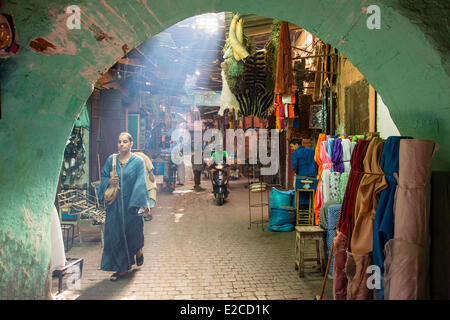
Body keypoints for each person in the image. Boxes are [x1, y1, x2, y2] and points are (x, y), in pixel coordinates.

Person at [97, 132, 149, 281]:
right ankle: (121, 268)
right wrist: (108, 182)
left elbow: (141, 183)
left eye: (125, 141)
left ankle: (138, 250)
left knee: (133, 233)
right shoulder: (110, 160)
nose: (121, 144)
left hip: (131, 205)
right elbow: (104, 176)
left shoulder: (138, 162)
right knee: (115, 236)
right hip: (114, 207)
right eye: (119, 141)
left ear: (131, 143)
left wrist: (139, 204)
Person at [290, 138, 317, 208]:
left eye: (292, 146)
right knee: (312, 194)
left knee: (301, 195)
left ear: (296, 145)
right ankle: (311, 209)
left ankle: (302, 208)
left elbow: (293, 167)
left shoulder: (295, 153)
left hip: (301, 177)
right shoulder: (312, 151)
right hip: (313, 177)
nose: (292, 148)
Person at [134, 151, 157, 222]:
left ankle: (144, 214)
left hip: (145, 182)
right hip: (144, 182)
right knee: (149, 198)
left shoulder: (138, 157)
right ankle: (144, 214)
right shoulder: (143, 156)